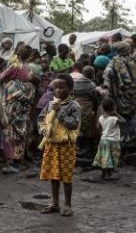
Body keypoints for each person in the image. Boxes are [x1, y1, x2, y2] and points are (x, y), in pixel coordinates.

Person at [38, 74, 81, 217]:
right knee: (53, 175)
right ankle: (55, 203)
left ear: (70, 88)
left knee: (66, 177)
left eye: (61, 87)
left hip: (66, 146)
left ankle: (67, 204)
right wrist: (43, 129)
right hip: (51, 145)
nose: (57, 90)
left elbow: (73, 123)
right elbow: (41, 120)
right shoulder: (50, 104)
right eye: (55, 87)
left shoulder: (74, 105)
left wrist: (60, 111)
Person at [0, 45, 34, 165]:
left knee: (12, 129)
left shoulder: (15, 66)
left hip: (14, 103)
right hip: (23, 102)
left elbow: (1, 77)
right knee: (21, 129)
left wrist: (6, 88)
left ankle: (12, 156)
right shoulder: (28, 67)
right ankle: (18, 156)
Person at [102, 42, 136, 146]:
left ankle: (122, 142)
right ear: (128, 50)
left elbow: (107, 76)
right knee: (132, 117)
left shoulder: (113, 62)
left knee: (121, 119)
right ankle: (132, 141)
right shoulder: (134, 61)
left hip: (120, 96)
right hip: (133, 96)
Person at [72, 62, 98, 158]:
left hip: (75, 107)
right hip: (87, 108)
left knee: (77, 126)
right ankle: (85, 147)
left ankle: (77, 146)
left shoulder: (75, 83)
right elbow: (94, 98)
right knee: (86, 127)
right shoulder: (91, 84)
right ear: (92, 74)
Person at [92, 98, 122, 180]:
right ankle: (110, 174)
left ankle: (103, 173)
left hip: (103, 140)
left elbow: (99, 127)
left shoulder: (101, 118)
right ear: (113, 107)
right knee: (112, 157)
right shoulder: (114, 119)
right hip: (112, 141)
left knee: (104, 156)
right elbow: (124, 121)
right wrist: (116, 114)